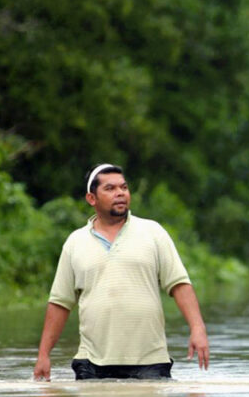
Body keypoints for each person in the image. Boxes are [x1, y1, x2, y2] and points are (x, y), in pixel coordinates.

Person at [33, 163, 209, 381]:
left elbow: (179, 284)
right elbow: (60, 302)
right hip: (91, 364)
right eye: (110, 189)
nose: (120, 194)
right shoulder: (75, 242)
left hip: (149, 362)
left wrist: (197, 328)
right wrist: (43, 355)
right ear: (91, 198)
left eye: (124, 188)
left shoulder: (153, 233)